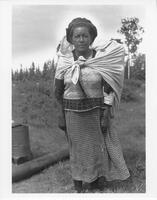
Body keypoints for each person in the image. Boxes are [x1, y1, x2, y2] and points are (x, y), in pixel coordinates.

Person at [54, 17, 130, 193]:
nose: (81, 39)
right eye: (77, 36)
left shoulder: (102, 60)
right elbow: (58, 92)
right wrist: (60, 115)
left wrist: (105, 114)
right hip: (72, 114)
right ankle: (79, 183)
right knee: (77, 150)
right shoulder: (64, 62)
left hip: (96, 112)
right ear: (71, 39)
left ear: (91, 38)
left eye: (85, 36)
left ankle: (96, 181)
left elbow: (109, 90)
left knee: (98, 149)